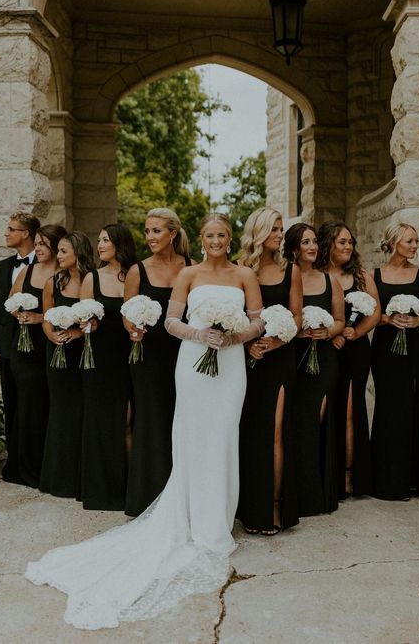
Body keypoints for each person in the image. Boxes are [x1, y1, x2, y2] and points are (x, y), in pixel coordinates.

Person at [25, 213, 264, 630]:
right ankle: (189, 517)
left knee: (224, 436)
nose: (216, 241)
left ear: (231, 238)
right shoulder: (188, 274)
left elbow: (258, 319)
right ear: (201, 238)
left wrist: (234, 337)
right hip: (193, 361)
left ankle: (217, 523)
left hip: (230, 364)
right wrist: (200, 336)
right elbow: (171, 321)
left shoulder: (245, 274)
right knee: (191, 438)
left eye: (222, 234)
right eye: (210, 235)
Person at [237, 207, 302, 535]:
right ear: (259, 233)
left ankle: (274, 507)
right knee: (248, 433)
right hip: (244, 362)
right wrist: (248, 344)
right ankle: (247, 508)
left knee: (275, 431)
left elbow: (298, 317)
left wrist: (275, 342)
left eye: (280, 228)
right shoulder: (239, 270)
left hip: (278, 360)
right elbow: (235, 318)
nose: (279, 234)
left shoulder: (291, 270)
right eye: (274, 229)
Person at [124, 208, 192, 517]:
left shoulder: (191, 267)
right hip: (148, 356)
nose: (150, 237)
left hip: (185, 354)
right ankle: (147, 497)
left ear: (173, 234)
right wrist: (133, 329)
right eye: (147, 231)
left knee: (182, 419)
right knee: (150, 420)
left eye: (156, 231)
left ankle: (182, 496)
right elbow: (126, 313)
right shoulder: (139, 270)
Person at [370, 223, 419, 501]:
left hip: (416, 349)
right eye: (410, 241)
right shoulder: (375, 275)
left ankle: (417, 481)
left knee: (416, 404)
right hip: (385, 349)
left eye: (416, 242)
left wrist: (418, 320)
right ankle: (388, 481)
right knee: (389, 408)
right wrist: (388, 319)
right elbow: (373, 314)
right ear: (394, 241)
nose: (414, 246)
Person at [316, 221, 380, 499]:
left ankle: (350, 476)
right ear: (328, 243)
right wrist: (333, 335)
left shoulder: (362, 275)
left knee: (352, 409)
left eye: (350, 242)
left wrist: (355, 332)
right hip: (324, 350)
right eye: (341, 241)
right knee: (327, 407)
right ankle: (324, 472)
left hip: (354, 349)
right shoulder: (316, 275)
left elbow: (375, 313)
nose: (347, 246)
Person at [283, 223, 344, 516]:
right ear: (294, 248)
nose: (312, 247)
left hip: (323, 361)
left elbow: (341, 321)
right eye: (306, 242)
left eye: (314, 242)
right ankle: (295, 495)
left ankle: (316, 495)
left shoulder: (329, 280)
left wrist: (328, 331)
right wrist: (295, 332)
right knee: (293, 425)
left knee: (315, 423)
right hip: (292, 359)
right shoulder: (286, 278)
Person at [77, 224, 137, 510]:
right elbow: (82, 316)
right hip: (100, 359)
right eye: (98, 239)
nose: (99, 244)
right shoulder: (92, 278)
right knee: (100, 421)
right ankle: (100, 490)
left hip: (131, 357)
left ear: (120, 244)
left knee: (127, 420)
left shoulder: (136, 275)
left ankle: (129, 487)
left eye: (105, 240)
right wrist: (87, 323)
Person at [3, 224, 66, 487]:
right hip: (23, 348)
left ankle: (46, 465)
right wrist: (20, 313)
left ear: (55, 247)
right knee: (27, 403)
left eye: (43, 244)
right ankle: (22, 467)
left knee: (46, 404)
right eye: (37, 243)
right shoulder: (28, 270)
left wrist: (41, 317)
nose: (37, 248)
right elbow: (10, 300)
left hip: (49, 346)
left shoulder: (63, 274)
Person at [39, 231, 95, 498]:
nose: (58, 256)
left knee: (81, 411)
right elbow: (47, 318)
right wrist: (53, 336)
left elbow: (95, 320)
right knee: (61, 412)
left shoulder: (92, 280)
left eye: (63, 251)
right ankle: (57, 479)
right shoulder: (53, 282)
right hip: (58, 354)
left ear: (78, 252)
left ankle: (81, 479)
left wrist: (77, 334)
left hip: (84, 354)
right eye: (58, 251)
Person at [0, 212, 40, 443]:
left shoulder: (46, 263)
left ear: (25, 233)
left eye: (11, 229)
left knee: (34, 402)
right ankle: (14, 455)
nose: (6, 233)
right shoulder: (3, 266)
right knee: (11, 400)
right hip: (7, 344)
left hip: (37, 344)